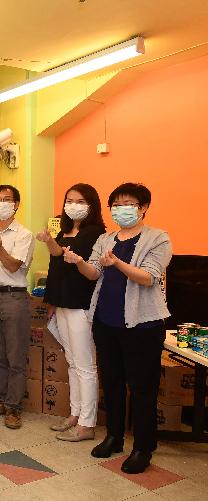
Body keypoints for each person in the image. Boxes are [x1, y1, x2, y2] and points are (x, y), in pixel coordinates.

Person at [63, 183, 171, 474]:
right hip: (106, 321)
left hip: (142, 325)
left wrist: (118, 263)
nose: (121, 209)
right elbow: (94, 273)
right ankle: (114, 436)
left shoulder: (157, 238)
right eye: (117, 205)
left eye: (128, 204)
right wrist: (77, 262)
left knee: (142, 388)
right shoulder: (107, 238)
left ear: (143, 207)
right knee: (111, 382)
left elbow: (149, 277)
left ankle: (143, 448)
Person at [37, 183, 105, 442]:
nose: (72, 205)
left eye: (79, 201)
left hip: (81, 304)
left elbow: (81, 264)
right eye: (69, 200)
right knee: (73, 362)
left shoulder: (95, 233)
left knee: (85, 365)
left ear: (91, 205)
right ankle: (75, 413)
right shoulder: (67, 229)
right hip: (63, 302)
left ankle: (88, 424)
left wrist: (58, 247)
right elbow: (58, 258)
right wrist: (49, 241)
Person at [0, 184, 35, 430]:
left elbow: (14, 267)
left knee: (15, 357)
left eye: (7, 199)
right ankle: (3, 400)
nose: (1, 203)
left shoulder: (24, 234)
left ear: (16, 204)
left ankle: (14, 407)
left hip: (14, 298)